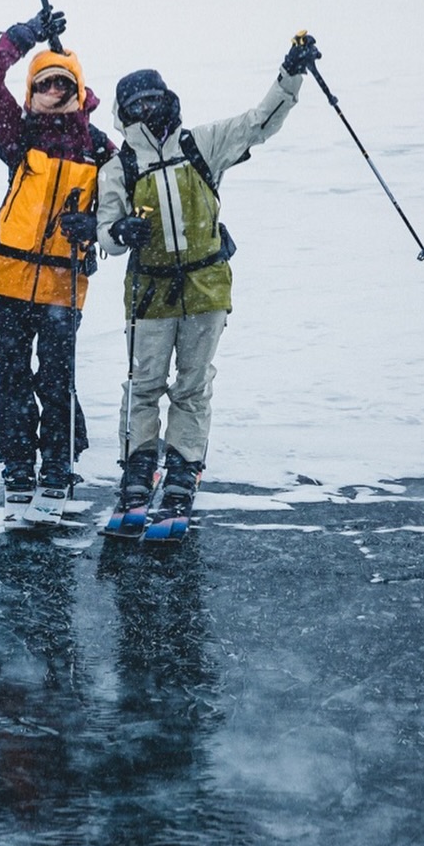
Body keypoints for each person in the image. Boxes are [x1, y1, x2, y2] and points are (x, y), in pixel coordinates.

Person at [95, 33, 319, 518]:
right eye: (135, 104)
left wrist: (291, 75)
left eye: (152, 99)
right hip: (149, 292)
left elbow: (259, 123)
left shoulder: (201, 144)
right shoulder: (119, 166)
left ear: (167, 100)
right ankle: (137, 467)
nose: (146, 109)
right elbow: (106, 237)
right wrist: (122, 231)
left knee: (193, 384)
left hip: (205, 288)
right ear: (123, 111)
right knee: (143, 383)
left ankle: (182, 467)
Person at [0, 8, 114, 496]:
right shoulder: (19, 134)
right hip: (8, 279)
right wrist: (23, 36)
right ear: (31, 93)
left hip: (63, 283)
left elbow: (125, 205)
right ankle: (16, 461)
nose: (54, 92)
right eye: (44, 85)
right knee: (11, 378)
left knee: (57, 378)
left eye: (63, 85)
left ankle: (57, 460)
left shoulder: (98, 148)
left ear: (78, 92)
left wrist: (96, 224)